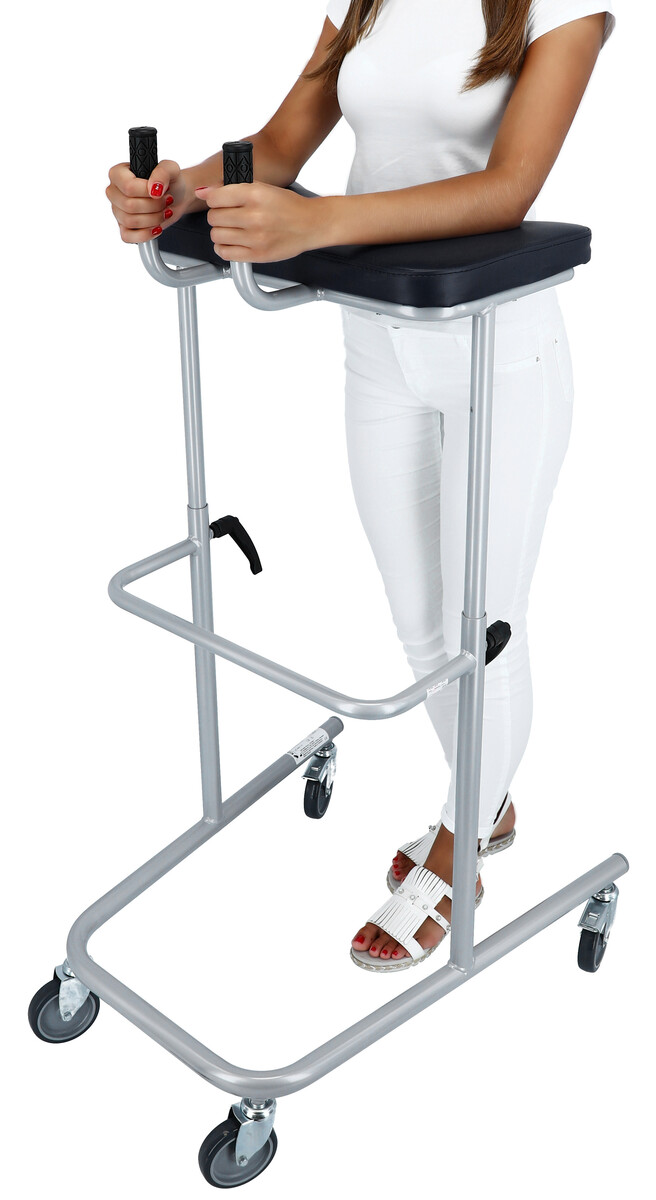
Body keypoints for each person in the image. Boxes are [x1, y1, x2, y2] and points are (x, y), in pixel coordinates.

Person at [105, 0, 616, 972]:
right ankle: (489, 799)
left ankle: (461, 842)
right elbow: (277, 147)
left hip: (498, 353)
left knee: (480, 628)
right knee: (419, 625)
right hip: (375, 343)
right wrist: (175, 191)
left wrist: (317, 222)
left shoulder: (561, 7)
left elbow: (510, 187)